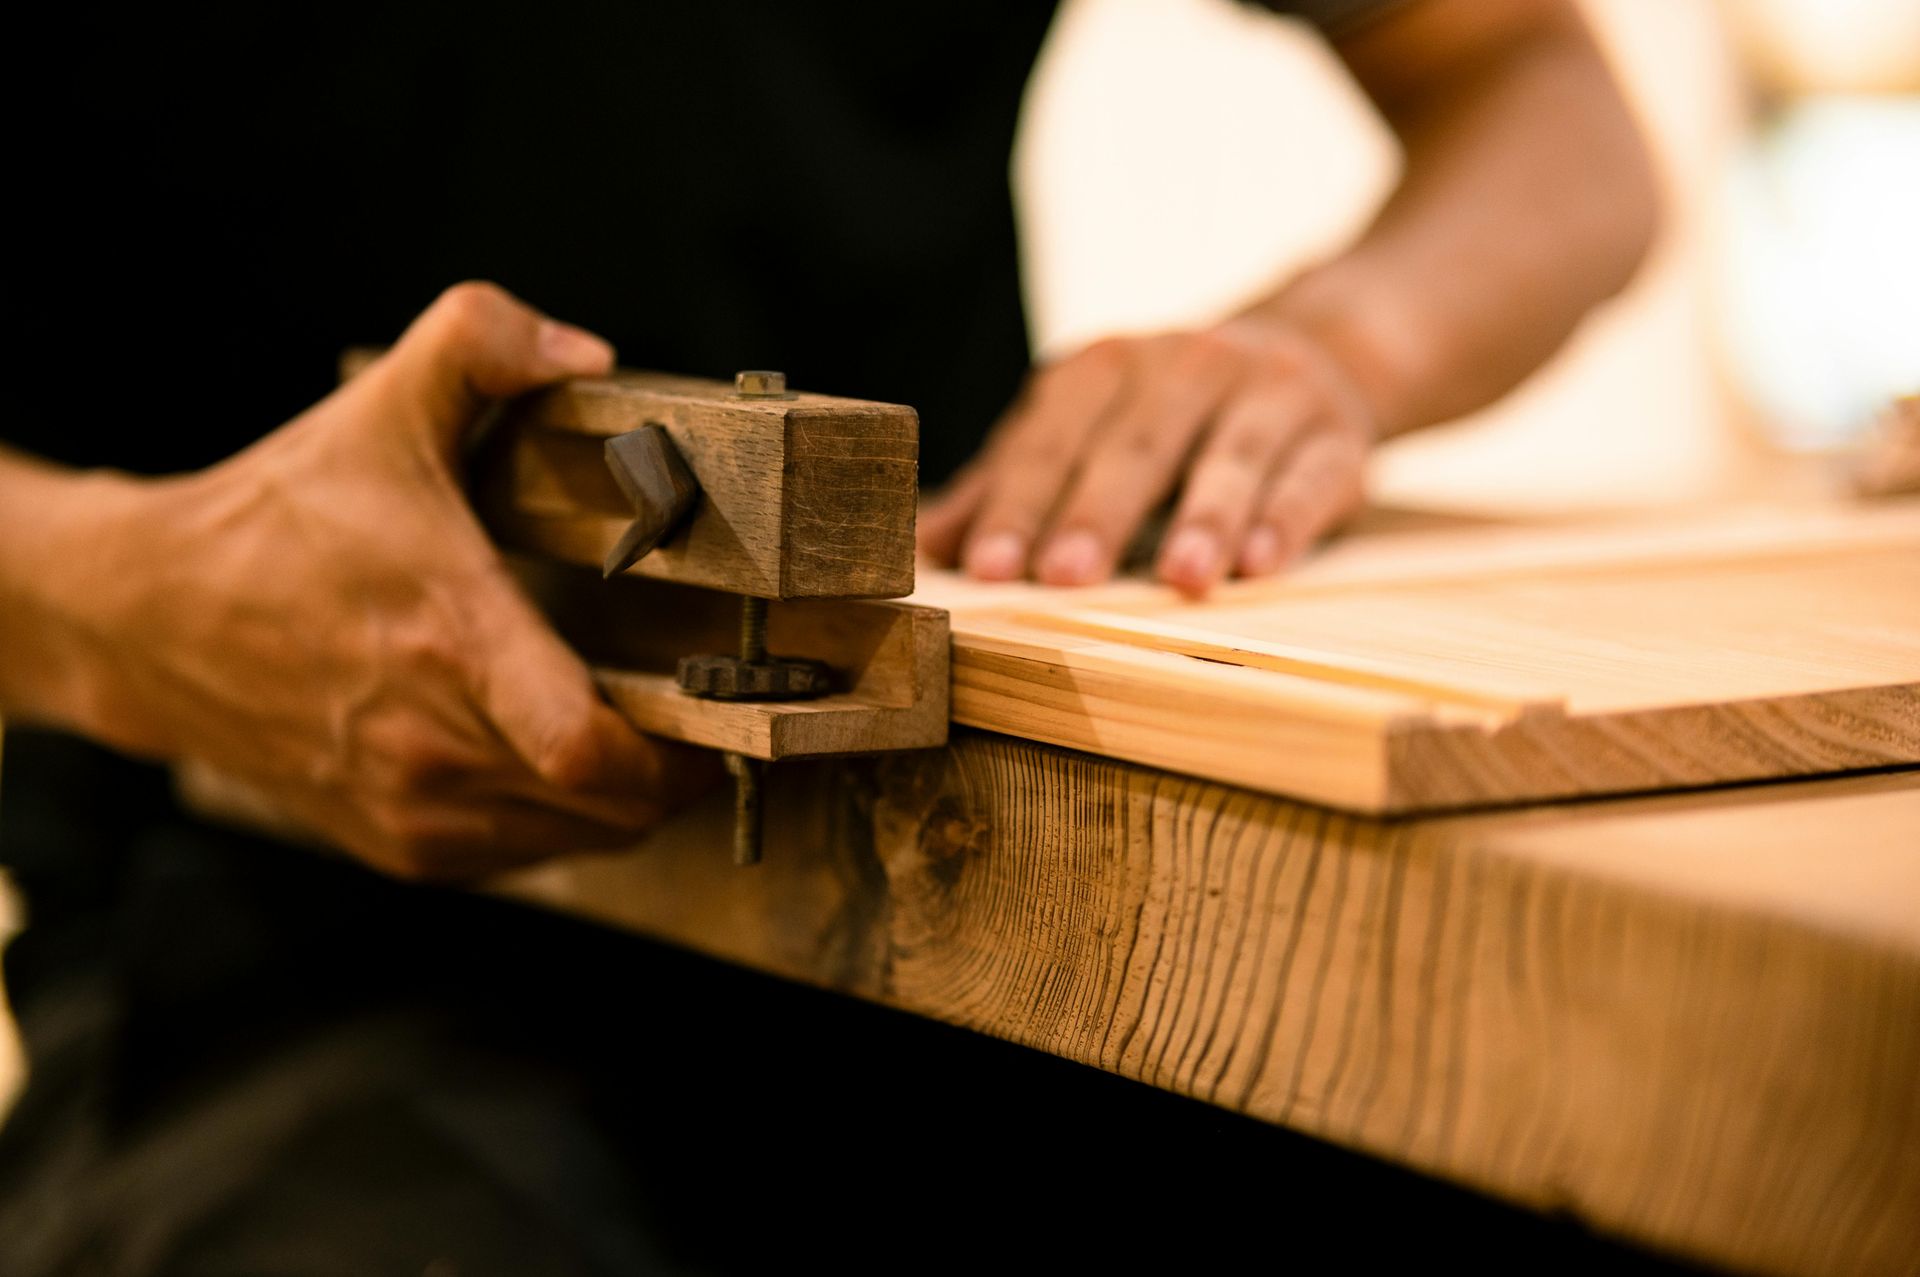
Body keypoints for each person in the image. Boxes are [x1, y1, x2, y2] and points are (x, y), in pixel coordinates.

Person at [0, 1, 1657, 1271]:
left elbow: (1543, 96)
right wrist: (113, 588)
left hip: (990, 878)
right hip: (271, 914)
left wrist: (1339, 347)